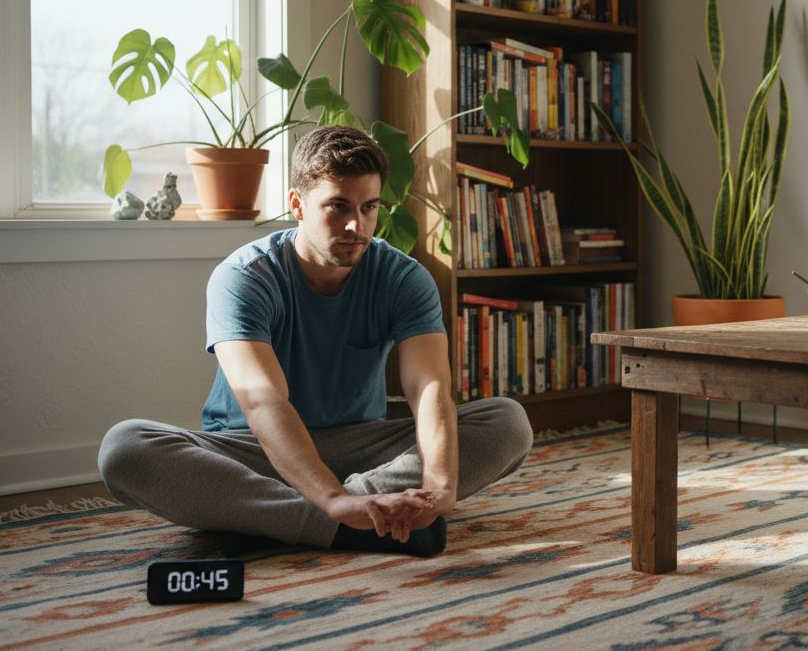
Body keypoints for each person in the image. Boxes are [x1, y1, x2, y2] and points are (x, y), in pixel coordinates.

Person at [98, 125, 533, 557]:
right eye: (337, 206)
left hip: (360, 446)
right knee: (125, 448)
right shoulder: (244, 277)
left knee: (508, 422)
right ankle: (348, 522)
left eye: (369, 207)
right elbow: (264, 403)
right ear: (297, 204)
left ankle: (274, 517)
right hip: (254, 448)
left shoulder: (403, 278)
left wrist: (440, 485)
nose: (355, 225)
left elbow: (429, 387)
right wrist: (334, 502)